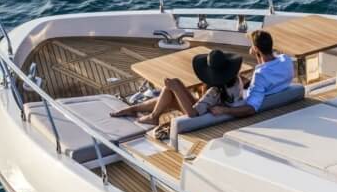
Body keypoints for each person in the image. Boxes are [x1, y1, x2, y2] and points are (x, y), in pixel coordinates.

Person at [110, 49, 245, 126]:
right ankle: (136, 110)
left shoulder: (214, 92)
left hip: (200, 116)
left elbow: (192, 114)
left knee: (170, 89)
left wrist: (176, 89)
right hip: (208, 110)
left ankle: (152, 116)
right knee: (174, 85)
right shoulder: (236, 80)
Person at [208, 29, 292, 119]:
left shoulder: (260, 75)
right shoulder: (286, 59)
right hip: (271, 88)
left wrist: (224, 110)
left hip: (242, 101)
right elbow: (268, 69)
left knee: (218, 84)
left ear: (256, 48)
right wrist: (257, 55)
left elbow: (251, 108)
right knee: (239, 78)